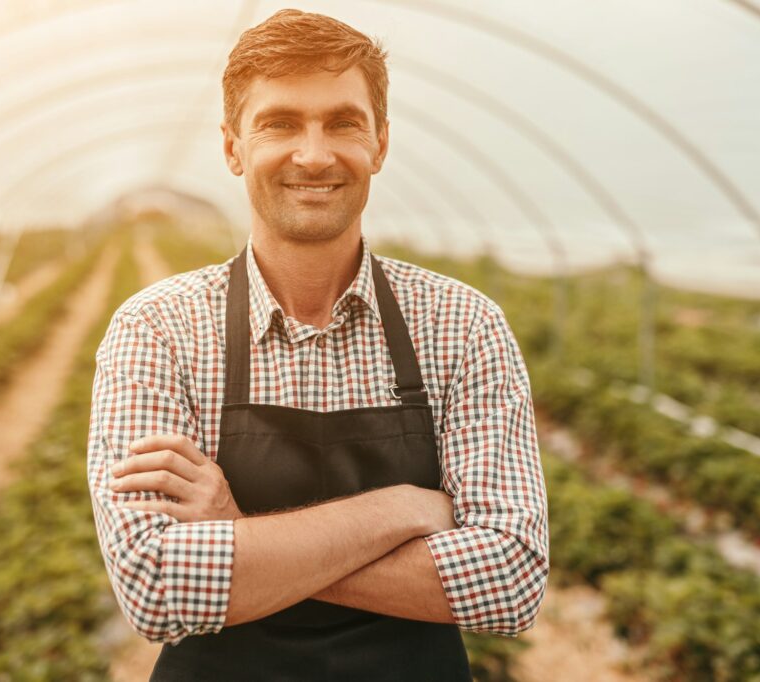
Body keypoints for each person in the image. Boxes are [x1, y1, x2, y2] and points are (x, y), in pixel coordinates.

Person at [87, 8, 549, 681]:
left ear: (380, 144)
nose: (313, 154)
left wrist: (239, 531)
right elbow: (156, 586)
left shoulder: (462, 324)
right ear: (232, 147)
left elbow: (509, 582)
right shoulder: (158, 330)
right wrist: (403, 510)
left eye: (343, 122)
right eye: (279, 123)